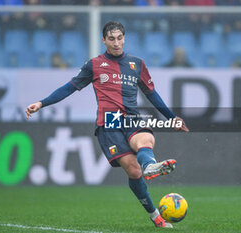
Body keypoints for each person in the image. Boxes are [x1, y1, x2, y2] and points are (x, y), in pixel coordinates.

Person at [25, 21, 189, 228]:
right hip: (108, 122)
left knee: (146, 139)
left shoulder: (137, 64)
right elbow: (69, 88)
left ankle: (150, 166)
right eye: (111, 39)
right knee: (133, 171)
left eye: (119, 38)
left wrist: (171, 117)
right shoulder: (93, 65)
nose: (116, 43)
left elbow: (152, 95)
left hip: (131, 117)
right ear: (104, 40)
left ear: (124, 38)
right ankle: (154, 214)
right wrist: (41, 103)